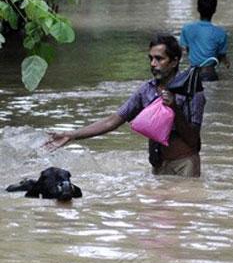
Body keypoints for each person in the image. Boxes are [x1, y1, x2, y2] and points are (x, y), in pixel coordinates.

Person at [46, 35, 206, 177]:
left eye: (159, 59)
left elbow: (192, 140)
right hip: (158, 167)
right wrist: (72, 135)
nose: (153, 64)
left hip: (184, 166)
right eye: (150, 58)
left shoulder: (191, 92)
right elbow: (113, 121)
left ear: (174, 61)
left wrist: (174, 109)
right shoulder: (146, 90)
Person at [179, 0, 230, 81]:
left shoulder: (187, 28)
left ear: (198, 9)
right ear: (214, 10)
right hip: (209, 74)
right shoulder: (221, 33)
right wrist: (227, 62)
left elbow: (185, 50)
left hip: (192, 73)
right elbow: (222, 56)